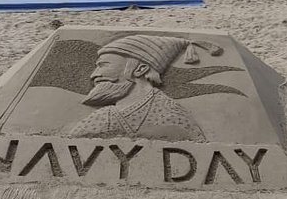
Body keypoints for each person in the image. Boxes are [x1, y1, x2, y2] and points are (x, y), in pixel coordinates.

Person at [64, 34, 217, 142]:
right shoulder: (102, 116)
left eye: (104, 65)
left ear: (140, 69)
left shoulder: (172, 116)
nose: (93, 75)